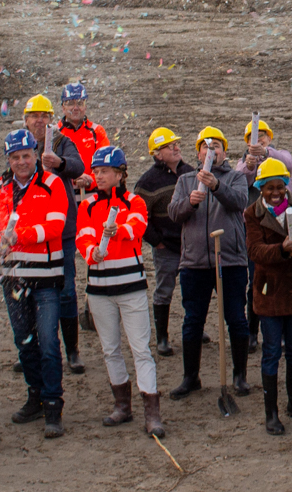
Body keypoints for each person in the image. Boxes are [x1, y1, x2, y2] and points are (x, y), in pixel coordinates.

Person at [0, 129, 72, 437]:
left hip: (46, 278)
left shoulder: (52, 183)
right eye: (15, 157)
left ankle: (52, 405)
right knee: (25, 341)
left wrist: (19, 235)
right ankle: (35, 394)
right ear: (8, 159)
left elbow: (56, 224)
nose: (21, 162)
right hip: (12, 277)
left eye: (26, 156)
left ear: (35, 155)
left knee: (48, 342)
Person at [76, 145, 161, 435]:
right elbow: (83, 236)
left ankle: (152, 411)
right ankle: (122, 406)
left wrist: (117, 231)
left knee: (141, 349)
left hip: (131, 287)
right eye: (96, 171)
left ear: (120, 174)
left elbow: (137, 226)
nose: (98, 176)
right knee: (110, 349)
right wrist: (91, 253)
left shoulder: (134, 201)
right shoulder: (86, 205)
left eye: (104, 171)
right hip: (98, 289)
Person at [169, 127, 253, 400]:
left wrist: (216, 186)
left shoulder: (236, 177)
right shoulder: (185, 180)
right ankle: (190, 377)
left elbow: (239, 201)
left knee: (236, 319)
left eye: (216, 146)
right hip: (194, 262)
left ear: (224, 152)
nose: (210, 150)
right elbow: (174, 213)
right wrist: (189, 203)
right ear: (198, 152)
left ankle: (239, 375)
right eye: (205, 146)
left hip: (229, 261)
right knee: (193, 321)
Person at [245, 159, 292, 434]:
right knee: (271, 353)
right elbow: (255, 251)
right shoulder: (252, 214)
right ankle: (271, 413)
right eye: (269, 188)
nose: (276, 193)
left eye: (280, 187)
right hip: (269, 293)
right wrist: (283, 250)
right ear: (260, 188)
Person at [24, 94, 87, 376]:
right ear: (26, 120)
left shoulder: (61, 141)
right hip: (30, 231)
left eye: (44, 116)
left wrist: (59, 162)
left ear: (51, 118)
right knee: (29, 292)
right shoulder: (20, 144)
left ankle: (71, 350)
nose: (39, 121)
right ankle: (32, 347)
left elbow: (78, 167)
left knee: (65, 291)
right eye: (34, 116)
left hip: (61, 230)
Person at [133, 127, 188, 358]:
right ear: (157, 154)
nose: (176, 148)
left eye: (176, 144)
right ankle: (162, 337)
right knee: (164, 290)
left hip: (190, 246)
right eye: (169, 146)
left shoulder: (190, 172)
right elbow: (139, 216)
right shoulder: (147, 182)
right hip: (167, 247)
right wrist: (157, 242)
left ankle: (193, 328)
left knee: (193, 290)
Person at [56, 82, 111, 176]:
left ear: (85, 107)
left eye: (80, 103)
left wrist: (89, 180)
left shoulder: (97, 131)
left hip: (92, 188)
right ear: (63, 107)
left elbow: (106, 164)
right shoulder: (54, 133)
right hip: (62, 188)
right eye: (70, 103)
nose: (75, 108)